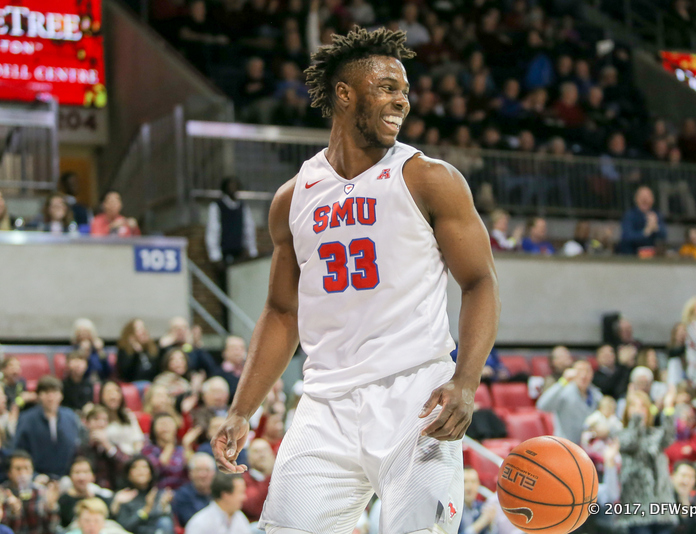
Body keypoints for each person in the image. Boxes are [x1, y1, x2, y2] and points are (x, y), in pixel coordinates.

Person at [211, 26, 499, 534]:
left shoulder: (430, 178)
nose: (402, 100)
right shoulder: (293, 197)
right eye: (387, 87)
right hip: (325, 401)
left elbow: (480, 282)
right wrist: (242, 409)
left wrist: (466, 381)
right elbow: (282, 312)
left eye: (404, 90)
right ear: (344, 94)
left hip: (416, 395)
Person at [617, 388, 679, 533]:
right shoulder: (621, 434)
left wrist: (668, 407)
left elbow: (669, 436)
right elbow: (631, 442)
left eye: (643, 406)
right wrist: (636, 420)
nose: (639, 411)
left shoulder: (655, 434)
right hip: (637, 510)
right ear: (627, 411)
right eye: (634, 406)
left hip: (662, 508)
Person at [13, 376, 80, 478]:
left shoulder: (70, 417)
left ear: (61, 395)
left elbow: (77, 448)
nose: (50, 397)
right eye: (46, 393)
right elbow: (18, 451)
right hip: (36, 477)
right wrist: (34, 476)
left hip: (67, 477)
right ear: (39, 396)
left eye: (54, 392)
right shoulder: (26, 419)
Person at [536, 360, 602, 444]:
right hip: (565, 445)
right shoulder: (564, 391)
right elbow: (542, 405)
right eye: (579, 371)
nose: (584, 375)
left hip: (587, 447)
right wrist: (563, 381)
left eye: (587, 371)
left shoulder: (596, 395)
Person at [0, 450, 60, 534]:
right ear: (9, 473)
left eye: (27, 468)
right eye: (18, 469)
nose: (23, 473)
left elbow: (52, 529)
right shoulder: (1, 493)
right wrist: (14, 513)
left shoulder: (40, 491)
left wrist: (51, 507)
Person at [110, 456, 174, 534]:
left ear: (151, 473)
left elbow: (168, 524)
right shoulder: (124, 496)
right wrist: (146, 510)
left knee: (165, 521)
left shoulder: (156, 494)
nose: (140, 471)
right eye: (135, 467)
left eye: (144, 467)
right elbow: (125, 526)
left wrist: (165, 507)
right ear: (128, 474)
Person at [205, 177, 259, 268]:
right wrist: (215, 256)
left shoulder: (243, 207)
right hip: (224, 254)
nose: (233, 188)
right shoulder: (216, 206)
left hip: (240, 254)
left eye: (235, 185)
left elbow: (249, 229)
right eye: (230, 186)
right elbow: (213, 230)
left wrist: (252, 251)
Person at [76, 406, 131, 491]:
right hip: (88, 488)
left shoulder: (113, 446)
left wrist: (107, 446)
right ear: (87, 423)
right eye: (96, 419)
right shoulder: (81, 446)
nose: (101, 423)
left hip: (112, 489)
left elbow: (126, 466)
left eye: (104, 420)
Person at [184, 474, 251, 534]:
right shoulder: (200, 523)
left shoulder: (240, 518)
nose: (244, 498)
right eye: (241, 492)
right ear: (226, 495)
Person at [57, 457, 112, 529]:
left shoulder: (100, 499)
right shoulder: (63, 500)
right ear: (70, 476)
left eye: (85, 472)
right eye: (77, 472)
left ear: (93, 476)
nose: (81, 477)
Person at [98, 381, 144, 456]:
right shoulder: (98, 418)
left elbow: (138, 439)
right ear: (102, 397)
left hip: (132, 456)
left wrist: (136, 456)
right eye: (109, 392)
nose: (113, 396)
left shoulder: (128, 414)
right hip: (111, 457)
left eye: (117, 391)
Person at [618, 186, 667, 255]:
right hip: (632, 255)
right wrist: (646, 231)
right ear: (636, 199)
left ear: (652, 200)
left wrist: (655, 226)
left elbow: (664, 235)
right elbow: (627, 238)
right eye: (642, 197)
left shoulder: (656, 215)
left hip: (651, 256)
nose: (645, 199)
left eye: (647, 197)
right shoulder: (629, 215)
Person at [171, 453, 215, 527]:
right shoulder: (182, 495)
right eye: (198, 470)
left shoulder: (221, 493)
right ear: (190, 473)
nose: (203, 474)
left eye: (207, 470)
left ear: (214, 473)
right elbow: (190, 521)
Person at [116, 319, 160, 384]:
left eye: (144, 328)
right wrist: (136, 354)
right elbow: (126, 375)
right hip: (133, 385)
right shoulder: (124, 350)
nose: (144, 332)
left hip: (152, 384)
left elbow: (157, 371)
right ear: (131, 334)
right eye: (139, 330)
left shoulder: (153, 349)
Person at [241, 438, 274, 523]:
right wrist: (266, 477)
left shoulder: (280, 477)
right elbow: (252, 507)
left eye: (265, 450)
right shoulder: (243, 480)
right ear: (248, 457)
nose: (262, 455)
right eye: (256, 451)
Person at [458, 468, 495, 534]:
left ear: (478, 484)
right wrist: (480, 523)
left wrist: (491, 524)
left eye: (473, 482)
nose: (469, 487)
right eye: (465, 482)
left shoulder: (482, 508)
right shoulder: (452, 509)